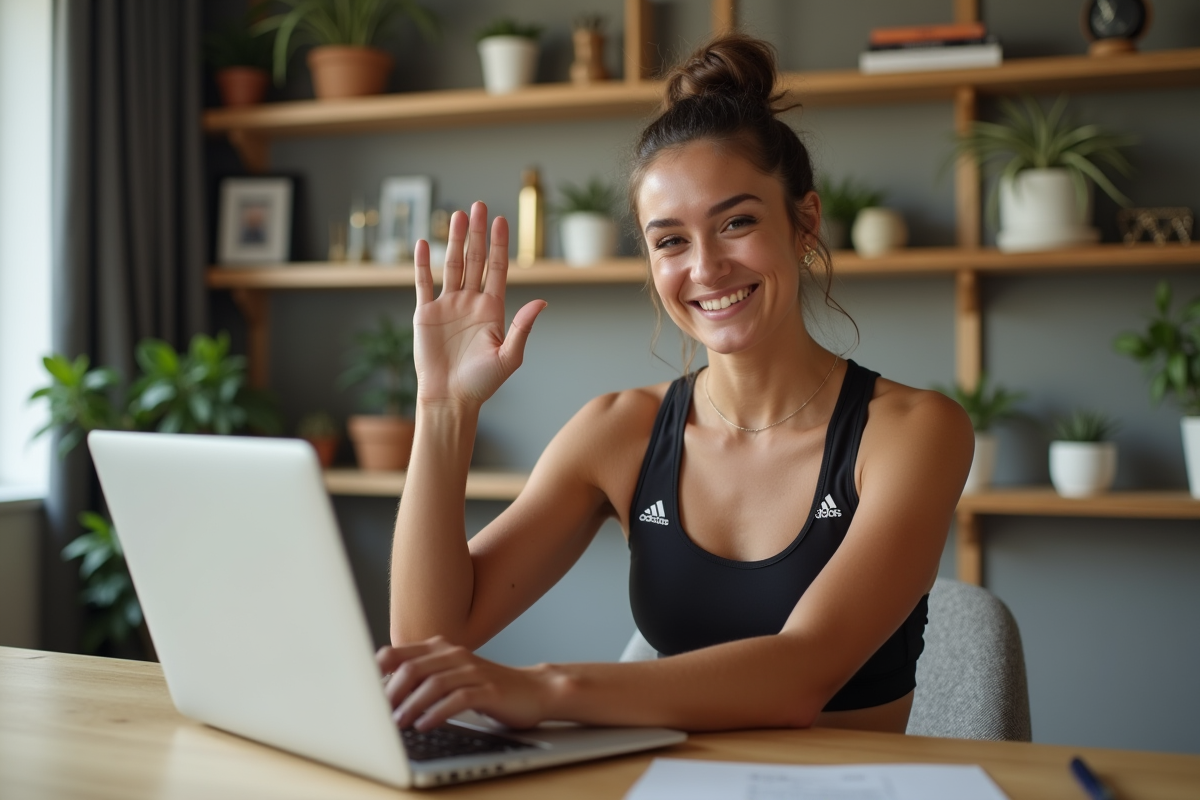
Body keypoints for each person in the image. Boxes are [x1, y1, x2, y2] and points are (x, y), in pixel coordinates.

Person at [376, 33, 973, 736]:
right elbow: (430, 640)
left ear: (805, 222)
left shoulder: (913, 431)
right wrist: (445, 407)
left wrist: (545, 688)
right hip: (662, 783)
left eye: (737, 222)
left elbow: (801, 674)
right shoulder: (619, 431)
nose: (706, 268)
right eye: (671, 241)